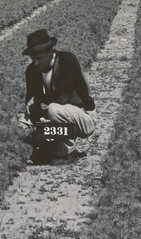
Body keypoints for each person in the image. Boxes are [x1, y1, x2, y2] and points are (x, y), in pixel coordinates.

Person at [19, 28, 97, 160]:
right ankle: (46, 145)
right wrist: (33, 110)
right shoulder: (32, 70)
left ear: (50, 52)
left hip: (83, 116)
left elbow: (63, 97)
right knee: (20, 121)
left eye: (39, 58)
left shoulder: (67, 60)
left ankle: (67, 149)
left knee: (54, 110)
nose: (36, 62)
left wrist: (38, 102)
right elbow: (30, 102)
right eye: (33, 59)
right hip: (52, 114)